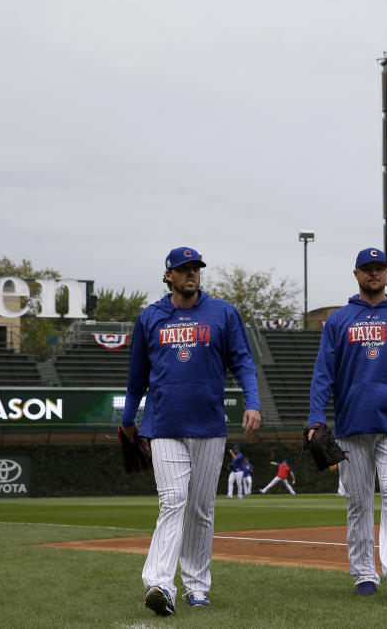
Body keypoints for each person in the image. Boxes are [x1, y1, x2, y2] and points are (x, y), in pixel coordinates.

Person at [120, 246, 262, 617]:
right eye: (183, 269)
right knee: (173, 502)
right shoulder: (150, 317)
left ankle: (197, 586)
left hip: (209, 426)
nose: (191, 274)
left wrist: (252, 402)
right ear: (168, 275)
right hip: (163, 425)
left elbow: (243, 361)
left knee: (201, 508)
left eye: (195, 268)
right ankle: (159, 583)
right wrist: (128, 420)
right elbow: (137, 376)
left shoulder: (223, 313)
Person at [306, 247, 387, 601]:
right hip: (351, 426)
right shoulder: (339, 320)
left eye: (379, 268)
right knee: (359, 503)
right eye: (367, 269)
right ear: (356, 274)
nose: (374, 274)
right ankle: (365, 574)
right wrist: (316, 418)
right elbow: (323, 375)